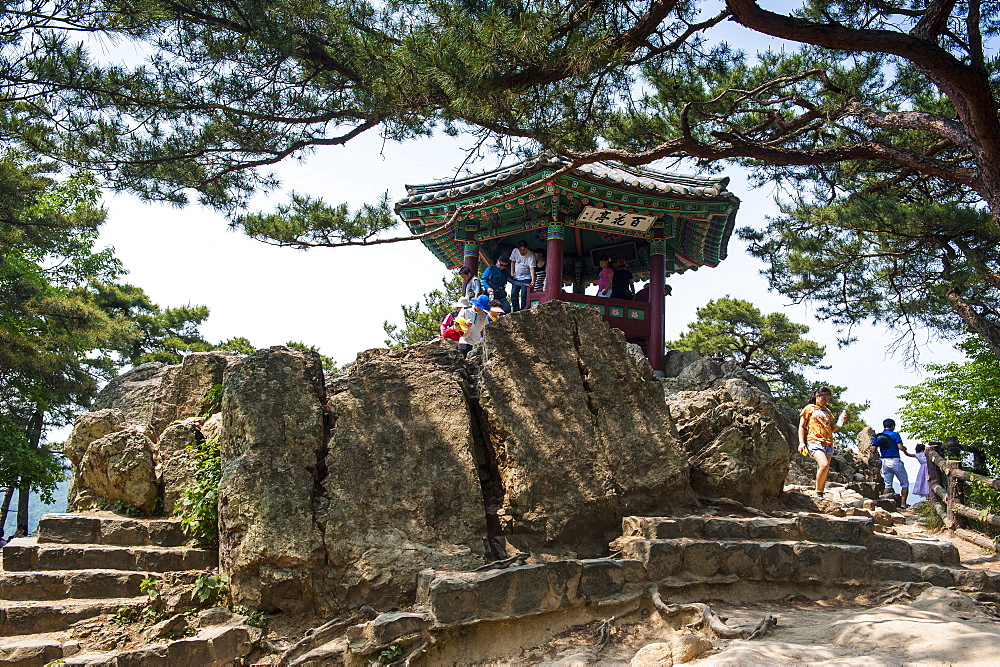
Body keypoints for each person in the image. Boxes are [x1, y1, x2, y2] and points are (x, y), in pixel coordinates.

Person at [798, 386, 849, 499]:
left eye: (828, 399)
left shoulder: (827, 412)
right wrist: (801, 442)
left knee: (824, 468)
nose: (826, 401)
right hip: (814, 441)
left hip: (828, 442)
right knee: (824, 464)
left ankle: (820, 492)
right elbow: (801, 426)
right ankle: (818, 491)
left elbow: (830, 428)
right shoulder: (809, 408)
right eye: (824, 398)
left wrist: (840, 423)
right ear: (817, 396)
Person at [875, 418, 917, 507]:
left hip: (885, 462)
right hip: (895, 461)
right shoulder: (895, 434)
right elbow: (900, 447)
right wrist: (904, 448)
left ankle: (883, 504)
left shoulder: (878, 436)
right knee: (904, 483)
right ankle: (903, 503)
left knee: (888, 485)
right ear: (892, 426)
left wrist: (878, 459)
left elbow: (873, 449)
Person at [508, 241, 537, 311]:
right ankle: (515, 310)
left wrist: (533, 280)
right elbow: (513, 262)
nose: (522, 252)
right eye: (520, 250)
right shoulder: (515, 251)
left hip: (526, 277)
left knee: (524, 295)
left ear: (527, 248)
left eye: (524, 250)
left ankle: (523, 310)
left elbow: (532, 268)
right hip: (516, 277)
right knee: (514, 294)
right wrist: (512, 274)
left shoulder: (531, 255)